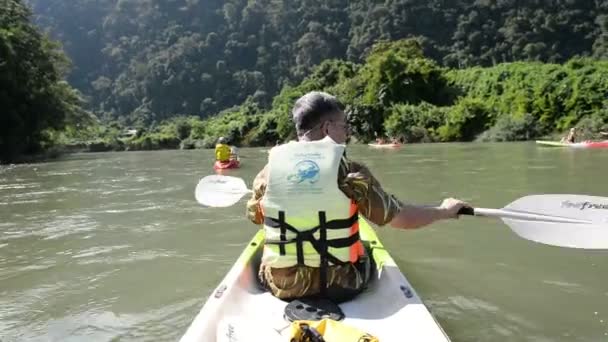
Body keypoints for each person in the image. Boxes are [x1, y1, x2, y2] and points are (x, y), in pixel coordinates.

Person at [246, 91, 468, 302]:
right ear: (327, 128)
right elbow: (401, 218)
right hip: (342, 286)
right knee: (363, 246)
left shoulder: (268, 173)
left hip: (284, 286)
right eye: (344, 127)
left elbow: (256, 217)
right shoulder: (352, 171)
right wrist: (444, 211)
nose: (347, 134)